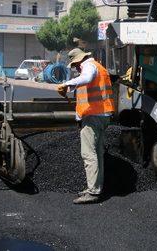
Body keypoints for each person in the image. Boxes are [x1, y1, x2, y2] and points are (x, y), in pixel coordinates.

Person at [56, 48, 115, 204]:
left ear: (79, 60)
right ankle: (96, 188)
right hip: (102, 115)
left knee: (88, 154)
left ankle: (93, 192)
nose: (75, 67)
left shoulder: (89, 67)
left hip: (93, 117)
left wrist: (66, 83)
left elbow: (87, 78)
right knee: (97, 153)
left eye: (75, 64)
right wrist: (69, 89)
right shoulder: (98, 66)